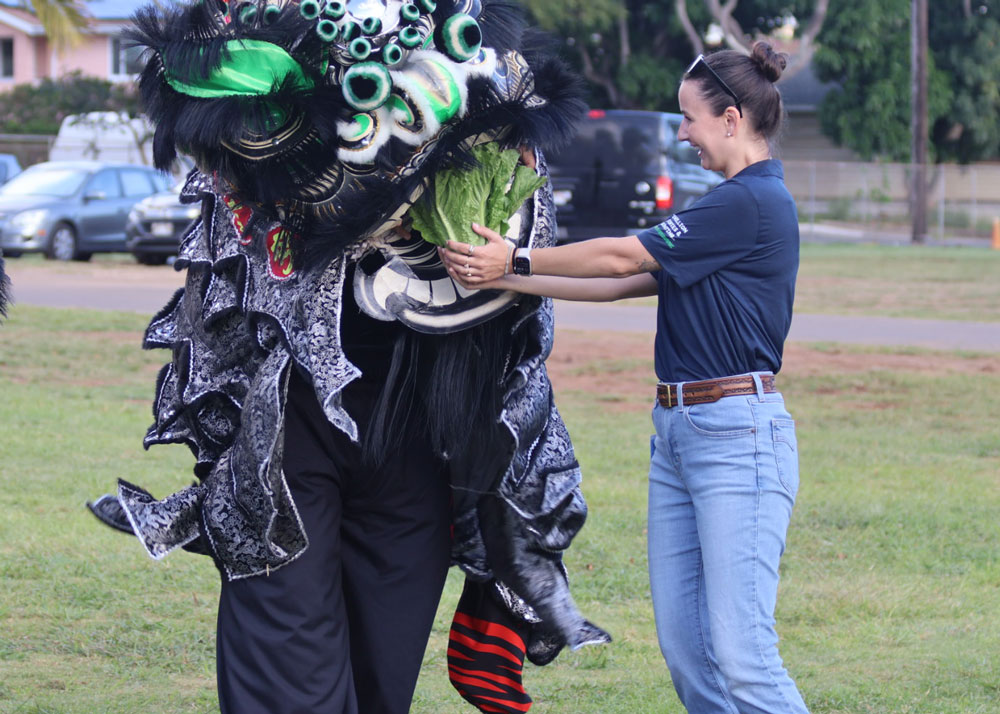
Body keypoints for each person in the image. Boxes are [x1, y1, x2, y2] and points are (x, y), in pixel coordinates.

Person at [441, 41, 810, 714]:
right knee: (691, 654)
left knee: (744, 657)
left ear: (731, 120)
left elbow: (621, 255)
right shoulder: (729, 205)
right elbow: (630, 283)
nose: (684, 136)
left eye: (690, 119)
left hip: (736, 440)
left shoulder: (750, 204)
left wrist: (516, 258)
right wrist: (509, 275)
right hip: (680, 435)